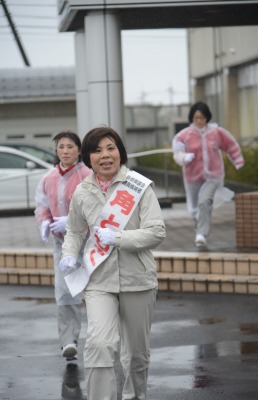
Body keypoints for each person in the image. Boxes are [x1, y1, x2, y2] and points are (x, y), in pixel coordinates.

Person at [59, 126, 166, 400]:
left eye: (110, 148)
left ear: (120, 152)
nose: (105, 155)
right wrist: (69, 254)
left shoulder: (139, 187)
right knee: (98, 344)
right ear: (87, 157)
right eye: (97, 150)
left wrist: (118, 237)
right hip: (99, 280)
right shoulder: (82, 193)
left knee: (136, 355)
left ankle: (135, 396)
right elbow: (74, 231)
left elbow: (157, 232)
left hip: (138, 280)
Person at [34, 130, 91, 361]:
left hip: (89, 244)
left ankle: (108, 337)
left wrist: (74, 220)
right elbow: (41, 204)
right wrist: (44, 223)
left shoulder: (88, 175)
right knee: (65, 292)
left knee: (96, 291)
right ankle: (69, 341)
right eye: (61, 147)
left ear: (79, 150)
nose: (65, 151)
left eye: (70, 146)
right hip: (61, 244)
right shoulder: (48, 178)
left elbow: (96, 208)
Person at [172, 101, 244, 247]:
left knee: (204, 201)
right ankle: (200, 227)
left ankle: (201, 234)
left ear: (207, 118)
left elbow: (230, 145)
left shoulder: (216, 132)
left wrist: (237, 160)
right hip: (192, 177)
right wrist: (184, 157)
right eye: (196, 117)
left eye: (202, 117)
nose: (199, 120)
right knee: (195, 208)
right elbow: (177, 152)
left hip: (213, 176)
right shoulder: (183, 135)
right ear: (192, 118)